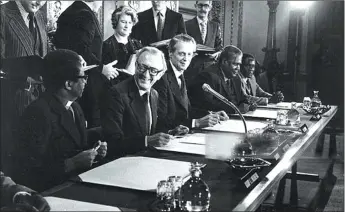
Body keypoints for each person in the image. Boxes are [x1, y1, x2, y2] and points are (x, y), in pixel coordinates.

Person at [13, 49, 107, 192]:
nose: (86, 81)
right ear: (68, 84)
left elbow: (74, 144)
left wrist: (94, 150)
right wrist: (72, 164)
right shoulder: (39, 113)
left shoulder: (75, 106)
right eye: (84, 76)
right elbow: (27, 172)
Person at [101, 47, 178, 157]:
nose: (146, 75)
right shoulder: (116, 94)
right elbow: (112, 143)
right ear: (136, 66)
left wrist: (170, 133)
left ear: (160, 75)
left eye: (153, 71)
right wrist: (146, 141)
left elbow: (149, 133)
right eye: (142, 67)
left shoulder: (154, 94)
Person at [0, 0, 48, 177]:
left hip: (40, 103)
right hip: (12, 104)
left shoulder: (41, 16)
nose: (39, 2)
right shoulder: (3, 14)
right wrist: (25, 79)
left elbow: (43, 55)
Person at [54, 0, 119, 128]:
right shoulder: (84, 14)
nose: (101, 3)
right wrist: (102, 68)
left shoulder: (70, 11)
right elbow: (81, 50)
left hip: (68, 82)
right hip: (85, 82)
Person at [153, 34, 229, 133]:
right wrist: (195, 123)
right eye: (181, 54)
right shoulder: (162, 78)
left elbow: (187, 111)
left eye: (189, 54)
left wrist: (211, 114)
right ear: (170, 53)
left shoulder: (180, 74)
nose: (186, 59)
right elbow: (162, 121)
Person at [188, 45, 255, 114]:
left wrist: (248, 105)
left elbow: (242, 98)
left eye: (239, 65)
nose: (238, 68)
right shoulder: (208, 76)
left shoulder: (236, 77)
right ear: (224, 62)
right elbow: (208, 105)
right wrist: (236, 109)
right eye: (235, 64)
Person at [184, 1, 223, 86]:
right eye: (200, 6)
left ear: (210, 7)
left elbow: (219, 47)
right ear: (195, 6)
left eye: (206, 6)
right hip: (192, 69)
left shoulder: (215, 26)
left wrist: (216, 54)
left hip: (210, 70)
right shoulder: (186, 25)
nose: (203, 9)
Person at [102, 6, 143, 86]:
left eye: (130, 22)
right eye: (123, 22)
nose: (127, 26)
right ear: (116, 22)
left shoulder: (137, 44)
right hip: (113, 88)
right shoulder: (106, 46)